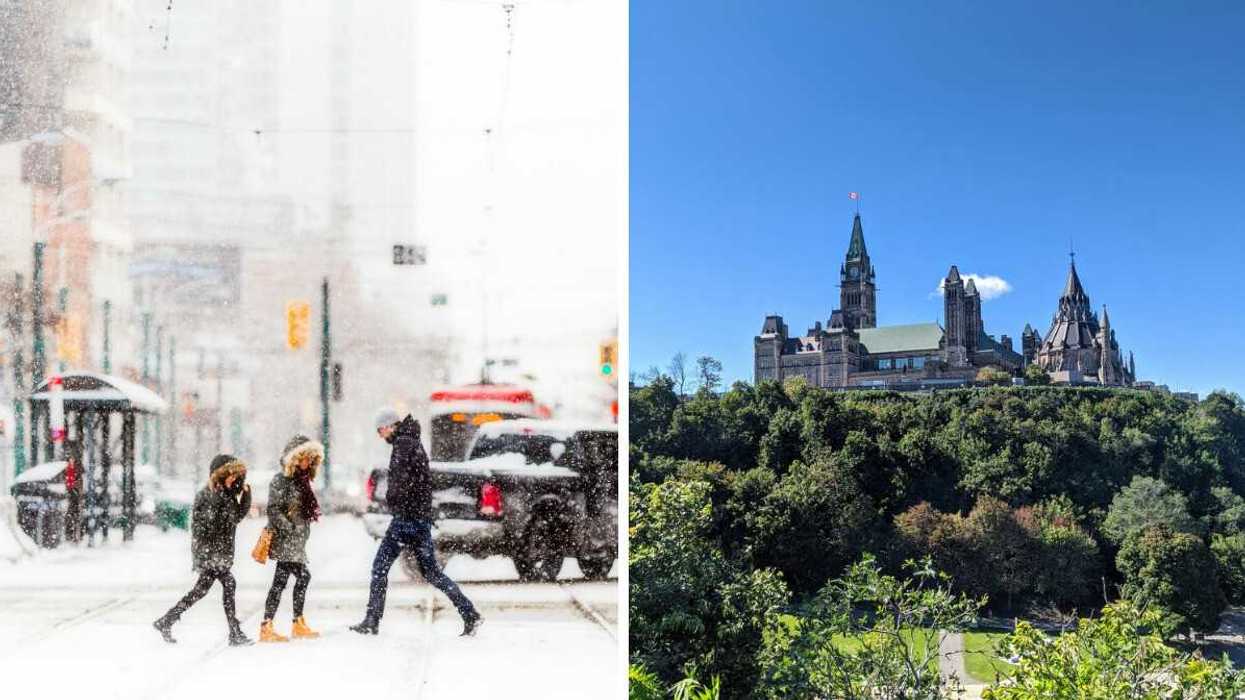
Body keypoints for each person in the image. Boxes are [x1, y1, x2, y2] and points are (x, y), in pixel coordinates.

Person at [351, 410, 483, 637]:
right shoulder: (413, 441)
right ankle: (469, 612)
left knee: (379, 568)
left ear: (390, 426)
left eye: (381, 430)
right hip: (418, 519)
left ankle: (372, 620)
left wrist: (392, 499)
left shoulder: (403, 444)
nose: (381, 436)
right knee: (432, 573)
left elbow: (401, 482)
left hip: (405, 519)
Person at [153, 454, 253, 646]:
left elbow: (235, 518)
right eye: (231, 474)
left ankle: (166, 620)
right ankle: (234, 632)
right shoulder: (208, 494)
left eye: (235, 475)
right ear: (221, 474)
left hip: (218, 553)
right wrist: (207, 553)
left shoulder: (226, 493)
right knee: (228, 584)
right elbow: (207, 526)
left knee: (200, 591)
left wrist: (245, 496)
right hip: (210, 553)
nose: (234, 478)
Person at [258, 435, 324, 643]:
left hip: (296, 541)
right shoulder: (281, 480)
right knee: (291, 579)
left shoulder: (301, 480)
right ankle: (270, 625)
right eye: (305, 458)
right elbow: (273, 510)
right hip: (285, 540)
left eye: (311, 459)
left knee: (289, 580)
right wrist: (291, 527)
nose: (308, 462)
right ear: (295, 458)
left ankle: (293, 622)